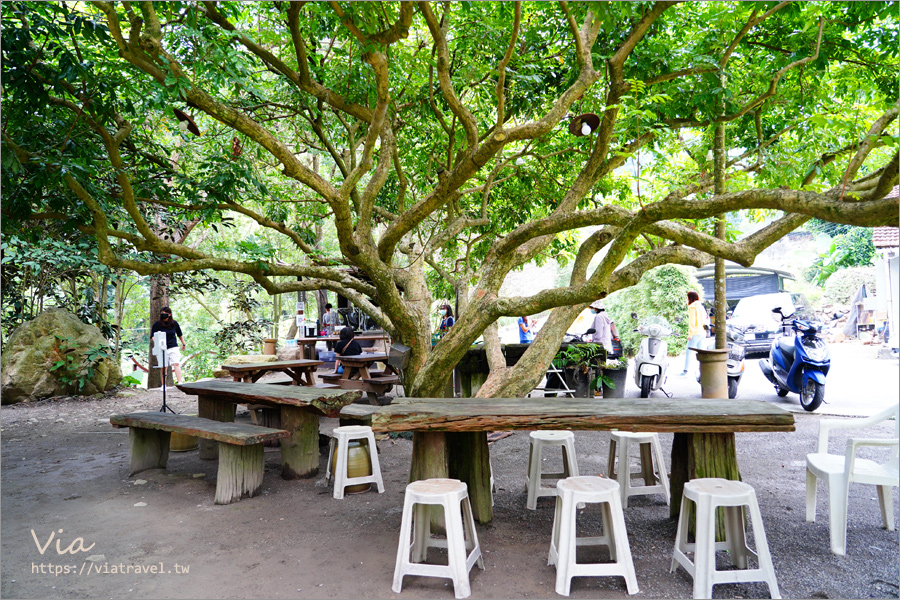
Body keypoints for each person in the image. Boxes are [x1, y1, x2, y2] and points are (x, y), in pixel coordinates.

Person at [150, 306, 186, 384]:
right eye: (162, 313)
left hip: (173, 346)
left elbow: (179, 334)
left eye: (165, 313)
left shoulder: (174, 323)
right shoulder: (157, 324)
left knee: (176, 363)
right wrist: (157, 343)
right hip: (162, 348)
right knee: (164, 367)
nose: (163, 315)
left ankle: (180, 382)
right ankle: (164, 385)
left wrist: (183, 343)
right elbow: (152, 336)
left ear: (169, 314)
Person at [680, 290, 709, 376]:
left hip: (695, 332)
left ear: (690, 298)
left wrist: (690, 334)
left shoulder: (692, 307)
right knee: (702, 353)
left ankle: (685, 371)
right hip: (703, 332)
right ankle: (704, 371)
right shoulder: (700, 306)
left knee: (688, 352)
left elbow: (692, 322)